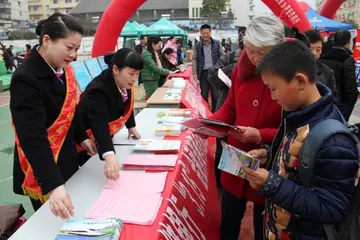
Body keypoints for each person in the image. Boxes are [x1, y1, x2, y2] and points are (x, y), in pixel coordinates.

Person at [245, 40, 360, 240]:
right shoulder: (298, 115)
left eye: (273, 88)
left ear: (299, 81)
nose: (272, 97)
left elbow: (331, 208)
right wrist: (269, 154)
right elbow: (300, 163)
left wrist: (273, 185)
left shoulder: (335, 142)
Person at [10, 13, 96, 219]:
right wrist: (53, 184)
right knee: (53, 224)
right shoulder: (25, 77)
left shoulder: (64, 70)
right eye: (69, 48)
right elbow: (32, 136)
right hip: (41, 168)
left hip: (66, 156)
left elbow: (69, 112)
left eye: (76, 49)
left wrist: (82, 137)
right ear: (47, 40)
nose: (74, 55)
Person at [206, 16, 284, 240]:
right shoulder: (242, 68)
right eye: (251, 50)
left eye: (263, 52)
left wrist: (261, 135)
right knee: (228, 218)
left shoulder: (287, 73)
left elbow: (294, 127)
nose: (255, 58)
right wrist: (210, 123)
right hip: (236, 156)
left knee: (264, 225)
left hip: (269, 160)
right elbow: (230, 107)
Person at [77, 48, 142, 177]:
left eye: (138, 74)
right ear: (116, 70)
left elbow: (127, 104)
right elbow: (99, 123)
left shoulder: (123, 81)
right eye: (131, 73)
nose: (135, 79)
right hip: (85, 138)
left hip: (103, 137)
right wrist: (108, 154)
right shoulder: (98, 90)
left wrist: (131, 126)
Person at [321, 29, 358, 121]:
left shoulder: (323, 56)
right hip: (341, 102)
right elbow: (350, 84)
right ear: (349, 41)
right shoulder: (347, 59)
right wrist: (352, 99)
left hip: (325, 98)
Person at [193, 24, 222, 112]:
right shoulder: (197, 45)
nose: (205, 35)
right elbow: (194, 59)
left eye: (207, 33)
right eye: (203, 33)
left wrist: (222, 70)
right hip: (203, 73)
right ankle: (204, 112)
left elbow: (222, 57)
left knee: (216, 95)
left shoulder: (217, 43)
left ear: (210, 32)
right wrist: (194, 72)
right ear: (201, 33)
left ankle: (215, 113)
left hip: (215, 72)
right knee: (204, 94)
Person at [304, 29, 340, 103]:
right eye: (310, 49)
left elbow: (334, 98)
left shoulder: (326, 71)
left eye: (318, 50)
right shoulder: (291, 68)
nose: (314, 53)